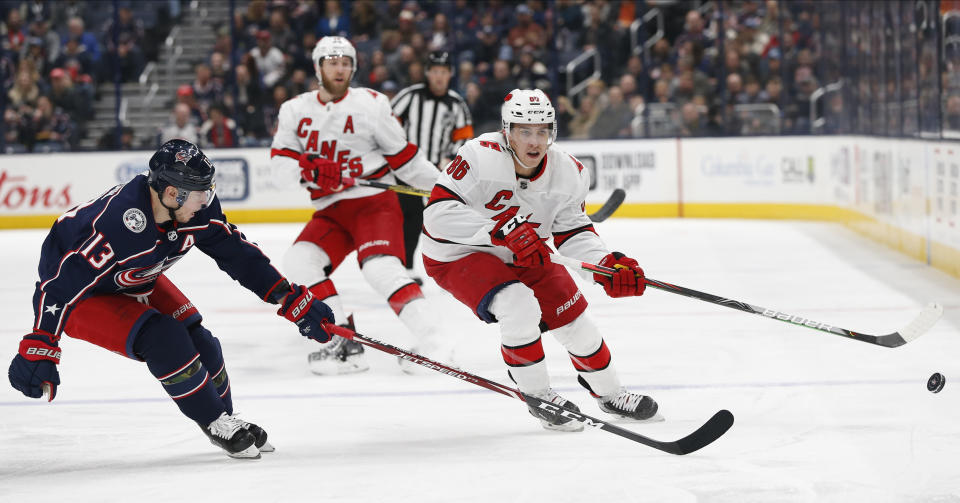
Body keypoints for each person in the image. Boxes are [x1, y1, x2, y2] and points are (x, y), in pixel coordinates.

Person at [7, 139, 335, 459]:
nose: (206, 200)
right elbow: (60, 287)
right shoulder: (120, 227)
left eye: (209, 190)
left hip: (132, 275)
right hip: (83, 294)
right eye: (199, 193)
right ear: (171, 193)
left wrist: (288, 297)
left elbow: (236, 253)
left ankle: (223, 416)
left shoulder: (192, 208)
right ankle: (212, 419)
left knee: (201, 339)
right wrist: (41, 343)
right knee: (165, 339)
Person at [421, 89, 659, 432]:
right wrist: (496, 231)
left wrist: (606, 265)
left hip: (525, 250)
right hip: (458, 253)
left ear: (553, 132)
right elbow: (437, 217)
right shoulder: (477, 156)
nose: (534, 141)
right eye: (524, 131)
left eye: (542, 131)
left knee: (574, 318)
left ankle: (609, 393)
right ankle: (538, 396)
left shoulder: (570, 172)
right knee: (517, 304)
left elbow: (573, 233)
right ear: (507, 131)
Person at [269, 36, 450, 376]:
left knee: (380, 268)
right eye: (332, 61)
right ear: (317, 66)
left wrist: (445, 188)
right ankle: (341, 344)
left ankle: (435, 342)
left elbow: (406, 161)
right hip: (331, 210)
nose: (340, 68)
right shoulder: (294, 110)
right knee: (298, 262)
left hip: (373, 204)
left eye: (346, 62)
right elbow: (279, 171)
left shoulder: (371, 104)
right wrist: (307, 168)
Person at [390, 50, 474, 283]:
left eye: (444, 72)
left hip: (439, 173)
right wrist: (398, 152)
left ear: (450, 74)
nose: (439, 77)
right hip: (405, 170)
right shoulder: (410, 96)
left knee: (443, 219)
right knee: (411, 216)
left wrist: (450, 157)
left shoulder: (456, 103)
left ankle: (453, 266)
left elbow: (464, 136)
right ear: (427, 73)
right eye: (435, 71)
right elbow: (387, 124)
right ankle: (404, 267)